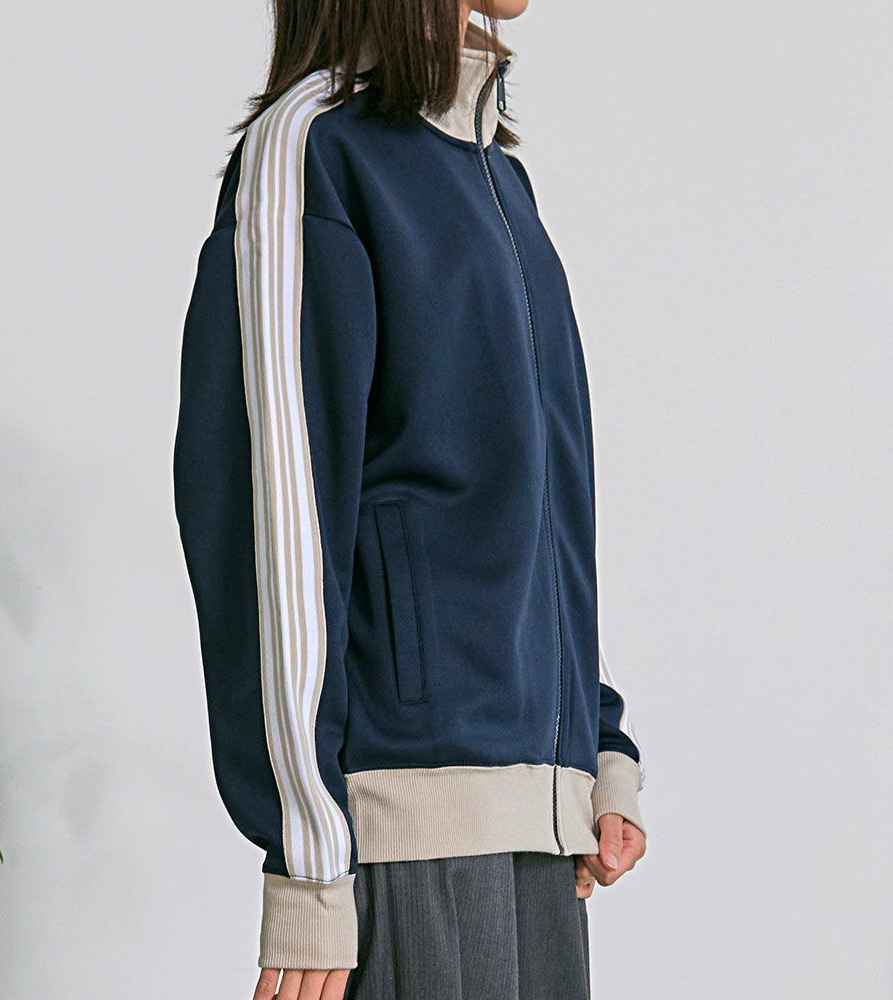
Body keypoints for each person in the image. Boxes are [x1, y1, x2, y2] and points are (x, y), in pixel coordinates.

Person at [173, 1, 647, 997]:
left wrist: (594, 746)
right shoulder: (313, 149)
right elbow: (277, 517)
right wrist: (309, 853)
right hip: (403, 826)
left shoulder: (493, 173)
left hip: (539, 829)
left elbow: (539, 504)